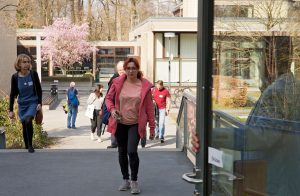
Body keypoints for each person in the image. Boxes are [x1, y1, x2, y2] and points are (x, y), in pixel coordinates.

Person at [105, 57, 155, 194]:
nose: (131, 70)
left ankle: (134, 181)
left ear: (137, 69)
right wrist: (113, 110)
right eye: (128, 68)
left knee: (132, 151)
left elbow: (150, 108)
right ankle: (125, 179)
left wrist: (152, 127)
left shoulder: (144, 85)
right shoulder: (117, 82)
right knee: (121, 152)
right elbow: (108, 99)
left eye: (134, 68)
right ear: (125, 70)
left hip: (135, 124)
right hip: (120, 123)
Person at [8, 54, 42, 153]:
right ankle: (26, 145)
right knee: (24, 124)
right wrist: (10, 110)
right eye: (24, 62)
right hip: (22, 104)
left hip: (33, 102)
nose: (27, 64)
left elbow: (39, 90)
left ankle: (30, 145)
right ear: (18, 64)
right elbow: (12, 94)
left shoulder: (33, 74)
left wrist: (39, 103)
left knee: (28, 120)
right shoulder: (15, 77)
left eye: (28, 62)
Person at [106, 61, 125, 148]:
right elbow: (108, 96)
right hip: (115, 108)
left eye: (123, 69)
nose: (121, 71)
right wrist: (111, 108)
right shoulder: (114, 80)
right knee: (114, 125)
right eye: (119, 70)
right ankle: (114, 143)